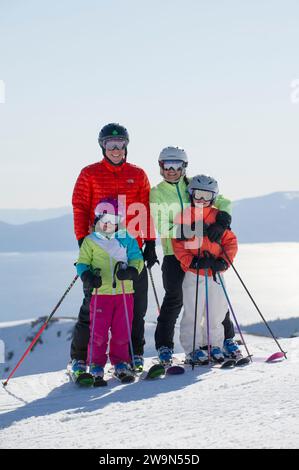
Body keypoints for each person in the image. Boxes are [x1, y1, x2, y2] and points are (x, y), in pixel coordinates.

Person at [71, 123, 157, 373]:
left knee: (135, 307)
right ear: (103, 147)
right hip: (98, 249)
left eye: (121, 145)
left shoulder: (138, 174)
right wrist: (81, 241)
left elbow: (146, 208)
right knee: (93, 307)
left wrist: (150, 243)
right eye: (111, 145)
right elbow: (79, 207)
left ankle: (134, 353)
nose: (116, 150)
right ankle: (80, 358)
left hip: (132, 250)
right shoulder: (90, 174)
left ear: (126, 146)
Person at [150, 147, 241, 365]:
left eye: (176, 165)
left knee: (214, 300)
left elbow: (224, 201)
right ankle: (165, 345)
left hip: (206, 251)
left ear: (184, 167)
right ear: (161, 167)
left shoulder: (194, 185)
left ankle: (222, 340)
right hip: (176, 253)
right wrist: (185, 230)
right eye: (167, 165)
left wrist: (223, 220)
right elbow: (162, 224)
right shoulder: (158, 192)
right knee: (176, 299)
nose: (172, 170)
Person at [72, 197, 144, 381]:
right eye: (104, 220)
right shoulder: (90, 241)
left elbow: (137, 258)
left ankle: (120, 362)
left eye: (112, 220)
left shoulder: (127, 239)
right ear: (97, 219)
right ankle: (96, 364)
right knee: (98, 332)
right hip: (101, 293)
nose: (107, 224)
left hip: (124, 292)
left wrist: (132, 272)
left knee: (121, 331)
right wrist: (87, 276)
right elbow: (82, 263)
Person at [172, 175, 238, 364]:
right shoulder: (184, 216)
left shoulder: (218, 216)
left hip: (216, 272)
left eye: (207, 196)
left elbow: (231, 242)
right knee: (193, 310)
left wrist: (224, 262)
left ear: (214, 197)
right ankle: (192, 348)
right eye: (198, 194)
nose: (201, 200)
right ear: (191, 194)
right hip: (195, 272)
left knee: (217, 311)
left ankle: (214, 345)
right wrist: (192, 262)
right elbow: (178, 244)